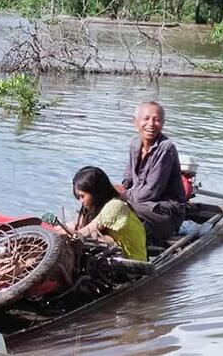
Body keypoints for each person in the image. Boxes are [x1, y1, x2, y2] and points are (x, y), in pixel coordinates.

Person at [117, 101, 186, 244]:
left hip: (165, 212)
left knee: (116, 207)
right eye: (146, 118)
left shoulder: (166, 148)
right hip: (141, 205)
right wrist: (120, 189)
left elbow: (150, 193)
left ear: (163, 123)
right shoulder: (135, 144)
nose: (151, 124)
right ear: (135, 122)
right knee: (100, 199)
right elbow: (128, 177)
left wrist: (122, 196)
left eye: (157, 119)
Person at [70, 167, 147, 261]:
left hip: (130, 262)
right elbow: (74, 226)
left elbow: (83, 233)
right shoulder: (91, 209)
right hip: (113, 256)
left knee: (96, 238)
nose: (81, 201)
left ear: (96, 192)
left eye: (82, 196)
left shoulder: (115, 206)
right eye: (78, 198)